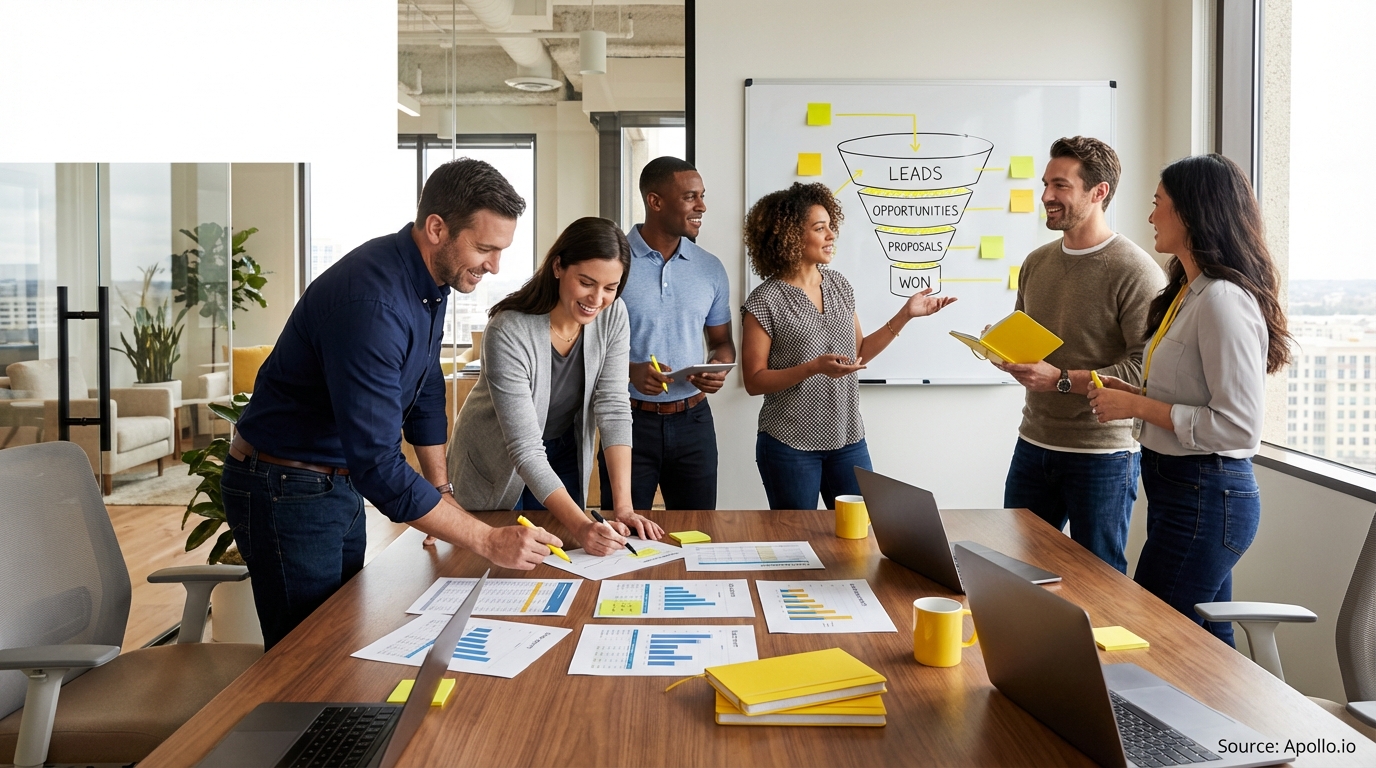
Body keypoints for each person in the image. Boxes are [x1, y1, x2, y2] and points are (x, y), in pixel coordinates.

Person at [223, 159, 563, 649]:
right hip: (285, 486)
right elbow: (379, 466)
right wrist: (486, 540)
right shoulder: (373, 303)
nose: (494, 266)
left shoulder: (432, 281)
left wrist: (441, 487)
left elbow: (424, 385)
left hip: (330, 481)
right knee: (306, 656)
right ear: (436, 228)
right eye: (485, 248)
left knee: (339, 635)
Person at [1087, 154, 1288, 646]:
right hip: (1184, 491)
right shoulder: (1188, 292)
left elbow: (1238, 426)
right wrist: (1135, 394)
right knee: (1211, 649)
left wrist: (1137, 408)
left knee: (1148, 639)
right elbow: (1190, 392)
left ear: (1192, 213)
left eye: (1159, 205)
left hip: (1207, 495)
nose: (1151, 216)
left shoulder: (1222, 299)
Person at [995, 136, 1167, 574]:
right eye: (1045, 184)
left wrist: (1060, 379)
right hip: (1033, 444)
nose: (1047, 196)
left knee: (1101, 581)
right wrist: (1002, 350)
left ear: (1099, 192)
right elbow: (1026, 333)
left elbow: (1142, 368)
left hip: (1102, 455)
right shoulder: (1036, 262)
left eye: (1060, 185)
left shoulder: (1135, 270)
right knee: (1017, 572)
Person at [446, 217, 664, 553]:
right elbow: (524, 447)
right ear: (559, 266)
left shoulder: (613, 314)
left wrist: (623, 508)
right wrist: (582, 526)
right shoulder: (509, 329)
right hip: (498, 460)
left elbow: (614, 407)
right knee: (499, 566)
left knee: (564, 558)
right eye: (587, 283)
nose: (598, 299)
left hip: (562, 449)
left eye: (611, 288)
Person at [740, 182, 955, 510]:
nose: (830, 235)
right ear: (791, 235)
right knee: (800, 542)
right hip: (789, 443)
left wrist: (906, 314)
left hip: (847, 438)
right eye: (819, 228)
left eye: (830, 226)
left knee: (861, 536)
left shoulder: (840, 285)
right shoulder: (765, 300)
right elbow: (754, 381)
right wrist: (813, 367)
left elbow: (859, 353)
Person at [596, 157, 734, 512]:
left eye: (702, 196)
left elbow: (722, 342)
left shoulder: (710, 268)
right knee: (624, 534)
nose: (701, 206)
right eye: (690, 197)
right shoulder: (612, 262)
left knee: (700, 532)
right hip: (627, 422)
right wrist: (630, 372)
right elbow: (581, 345)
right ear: (655, 201)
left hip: (695, 423)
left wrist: (718, 365)